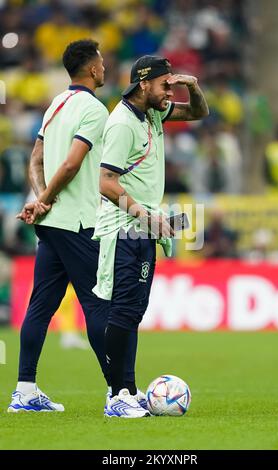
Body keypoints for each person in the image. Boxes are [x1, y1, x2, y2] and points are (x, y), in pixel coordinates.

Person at [7, 39, 137, 413]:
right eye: (101, 63)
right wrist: (46, 196)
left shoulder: (55, 105)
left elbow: (36, 159)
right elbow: (71, 165)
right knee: (99, 308)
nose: (105, 68)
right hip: (80, 222)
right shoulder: (95, 110)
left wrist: (42, 199)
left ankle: (25, 390)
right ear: (93, 69)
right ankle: (118, 395)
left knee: (41, 306)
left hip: (51, 225)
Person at [92, 55, 209, 418]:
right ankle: (115, 395)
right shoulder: (123, 124)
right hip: (123, 228)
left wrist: (192, 86)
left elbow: (197, 114)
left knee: (134, 312)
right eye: (165, 85)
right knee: (123, 311)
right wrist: (146, 216)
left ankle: (128, 388)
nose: (169, 92)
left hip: (143, 228)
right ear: (144, 83)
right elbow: (106, 183)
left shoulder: (153, 113)